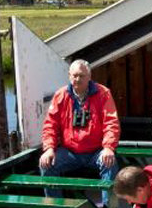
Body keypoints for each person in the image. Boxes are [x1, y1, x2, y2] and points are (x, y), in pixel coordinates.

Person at [40, 59, 120, 189]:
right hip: (69, 152)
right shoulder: (60, 95)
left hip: (96, 152)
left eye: (81, 76)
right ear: (69, 76)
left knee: (110, 163)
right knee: (46, 164)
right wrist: (49, 149)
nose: (77, 79)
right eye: (74, 76)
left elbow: (111, 123)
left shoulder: (103, 93)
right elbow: (50, 125)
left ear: (89, 76)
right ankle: (54, 207)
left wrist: (108, 148)